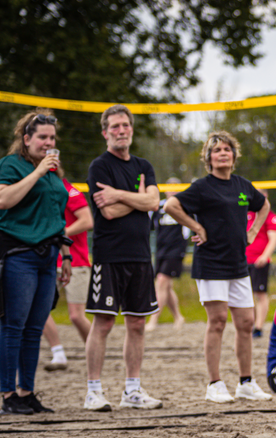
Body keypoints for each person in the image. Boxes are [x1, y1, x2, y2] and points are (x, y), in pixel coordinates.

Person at [165, 131, 273, 403]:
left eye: (227, 149)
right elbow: (171, 205)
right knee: (217, 321)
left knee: (246, 323)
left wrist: (253, 230)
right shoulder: (202, 186)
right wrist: (196, 226)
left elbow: (264, 205)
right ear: (209, 158)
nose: (223, 153)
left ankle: (246, 383)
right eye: (217, 150)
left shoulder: (242, 184)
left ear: (233, 156)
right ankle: (214, 384)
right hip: (211, 263)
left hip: (238, 264)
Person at [0, 109, 72, 415]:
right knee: (13, 326)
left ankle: (27, 393)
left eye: (52, 137)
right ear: (26, 139)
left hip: (47, 258)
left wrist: (65, 254)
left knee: (34, 329)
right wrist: (37, 172)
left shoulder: (53, 173)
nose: (48, 143)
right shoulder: (11, 165)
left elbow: (54, 216)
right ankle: (9, 396)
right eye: (42, 137)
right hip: (17, 256)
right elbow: (2, 200)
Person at [83, 105, 162, 412]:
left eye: (125, 125)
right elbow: (108, 211)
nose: (120, 131)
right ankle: (93, 391)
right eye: (114, 126)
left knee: (137, 325)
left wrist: (120, 194)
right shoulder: (99, 166)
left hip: (141, 255)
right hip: (109, 256)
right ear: (106, 132)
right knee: (103, 324)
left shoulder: (143, 164)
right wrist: (138, 199)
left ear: (131, 129)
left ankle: (132, 390)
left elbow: (154, 201)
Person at [42, 167, 93, 370]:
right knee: (39, 310)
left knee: (76, 315)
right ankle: (58, 354)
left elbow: (87, 221)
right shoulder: (39, 193)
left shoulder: (70, 191)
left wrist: (59, 234)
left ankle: (95, 349)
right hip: (47, 260)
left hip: (77, 260)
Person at [145, 177, 188, 332]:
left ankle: (153, 320)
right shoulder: (158, 207)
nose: (172, 189)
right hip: (161, 250)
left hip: (176, 250)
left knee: (162, 282)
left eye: (176, 186)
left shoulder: (185, 206)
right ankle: (178, 316)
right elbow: (148, 227)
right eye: (169, 186)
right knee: (166, 286)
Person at [246, 187, 276, 338]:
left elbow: (273, 239)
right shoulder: (247, 215)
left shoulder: (271, 217)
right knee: (246, 295)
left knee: (260, 293)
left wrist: (265, 256)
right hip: (243, 260)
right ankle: (251, 323)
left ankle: (258, 327)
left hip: (259, 261)